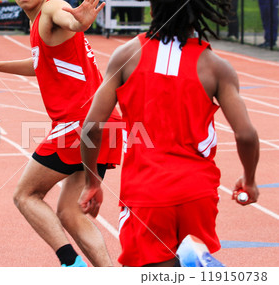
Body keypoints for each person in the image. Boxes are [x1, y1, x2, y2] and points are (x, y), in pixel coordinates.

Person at [80, 0, 260, 267]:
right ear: (197, 13)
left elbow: (91, 128)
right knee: (182, 264)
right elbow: (246, 135)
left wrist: (92, 182)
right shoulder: (215, 66)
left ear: (152, 10)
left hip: (146, 192)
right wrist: (250, 179)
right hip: (197, 191)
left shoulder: (125, 55)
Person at [0, 0, 122, 267]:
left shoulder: (51, 7)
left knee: (25, 195)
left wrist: (78, 22)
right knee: (70, 212)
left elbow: (66, 17)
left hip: (78, 122)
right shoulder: (39, 24)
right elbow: (41, 62)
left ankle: (71, 265)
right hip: (106, 120)